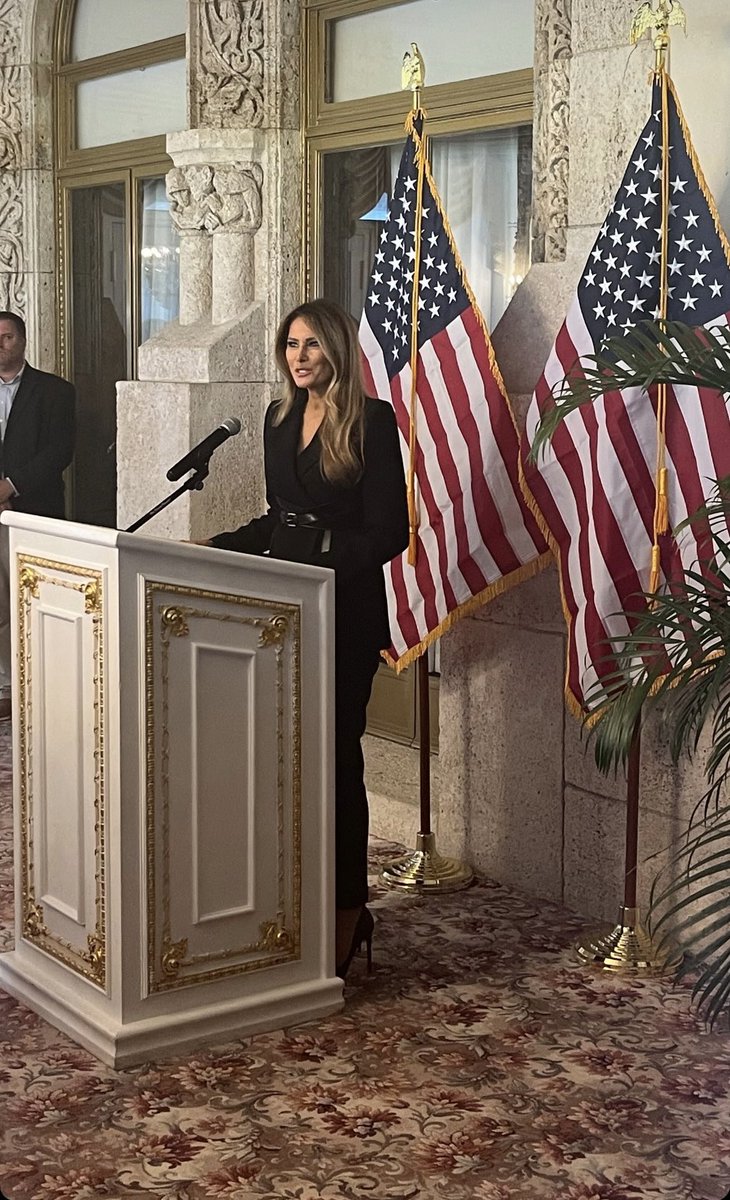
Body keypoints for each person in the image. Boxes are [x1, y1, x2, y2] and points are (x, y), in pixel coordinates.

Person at [205, 298, 409, 978]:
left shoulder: (373, 422)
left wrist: (317, 559)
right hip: (281, 616)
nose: (298, 356)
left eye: (312, 345)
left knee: (333, 762)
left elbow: (388, 532)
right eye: (291, 345)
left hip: (343, 614)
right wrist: (212, 547)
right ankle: (289, 899)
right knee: (284, 764)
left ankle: (351, 910)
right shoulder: (277, 419)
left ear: (337, 353)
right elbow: (278, 519)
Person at [0, 312, 76, 722]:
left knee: (31, 598)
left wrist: (10, 486)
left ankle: (39, 683)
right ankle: (5, 687)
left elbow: (59, 452)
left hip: (33, 511)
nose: (0, 345)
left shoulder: (54, 391)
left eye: (7, 337)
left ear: (23, 341)